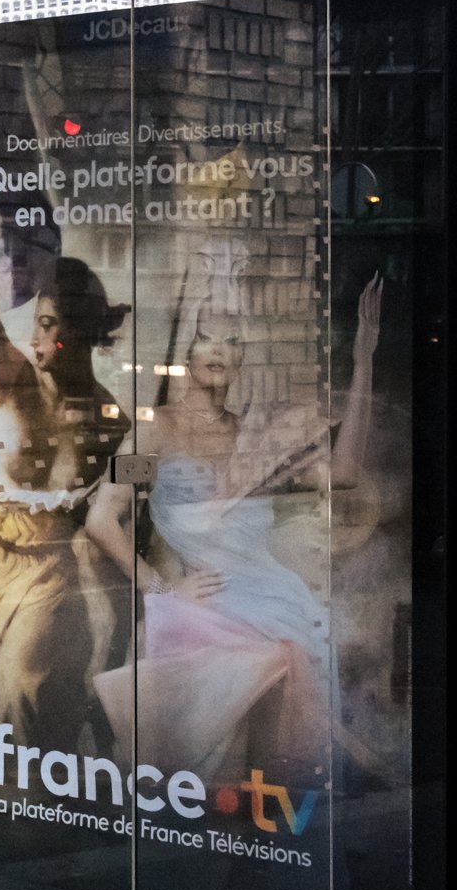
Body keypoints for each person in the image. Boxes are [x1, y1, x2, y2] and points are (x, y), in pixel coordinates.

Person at [93, 273, 383, 784]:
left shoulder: (258, 439)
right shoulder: (154, 431)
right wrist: (163, 589)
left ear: (244, 359)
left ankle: (267, 836)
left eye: (233, 341)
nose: (220, 350)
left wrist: (364, 362)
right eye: (208, 335)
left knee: (275, 763)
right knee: (217, 762)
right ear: (187, 348)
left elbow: (343, 478)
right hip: (209, 609)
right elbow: (102, 519)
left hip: (282, 605)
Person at [0, 190, 134, 807]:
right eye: (37, 320)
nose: (35, 335)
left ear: (80, 332)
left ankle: (5, 817)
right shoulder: (14, 378)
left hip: (45, 576)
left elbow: (114, 516)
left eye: (48, 323)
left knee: (22, 689)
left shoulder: (112, 421)